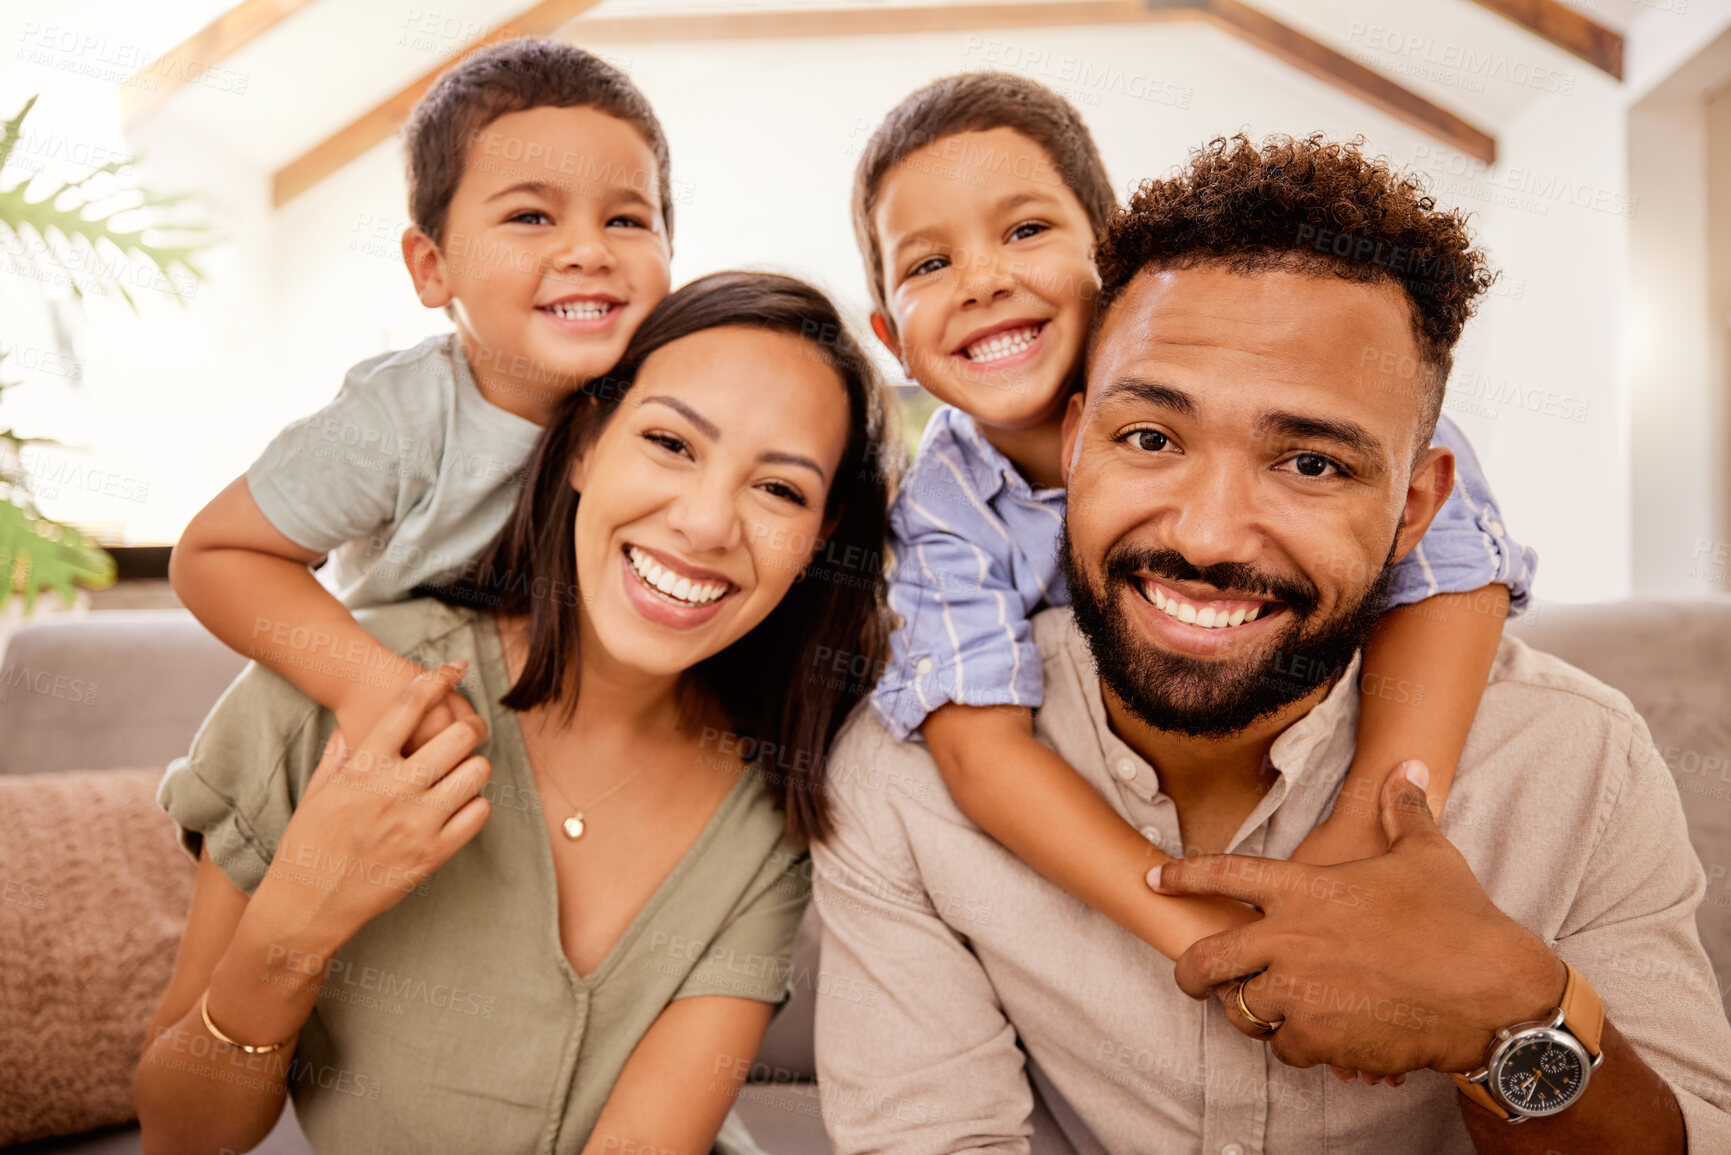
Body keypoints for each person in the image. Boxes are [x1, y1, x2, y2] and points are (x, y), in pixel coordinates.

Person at [812, 134, 1731, 1153]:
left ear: (1419, 503)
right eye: (1152, 439)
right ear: (1077, 444)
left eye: (1311, 462)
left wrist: (1507, 1018)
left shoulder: (1574, 763)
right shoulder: (905, 786)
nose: (1205, 536)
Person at [135, 273, 892, 1155]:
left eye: (780, 491)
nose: (706, 522)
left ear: (817, 542)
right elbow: (183, 1134)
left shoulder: (777, 794)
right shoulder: (322, 693)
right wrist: (301, 910)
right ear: (584, 446)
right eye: (669, 442)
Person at [851, 73, 1534, 961]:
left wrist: (1362, 833)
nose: (981, 279)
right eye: (928, 263)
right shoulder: (939, 508)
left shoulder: (1324, 393)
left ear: (1111, 259)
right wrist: (1199, 931)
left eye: (1024, 230)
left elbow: (1453, 567)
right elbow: (981, 751)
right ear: (889, 334)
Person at [169, 37, 678, 756]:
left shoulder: (674, 403)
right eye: (531, 217)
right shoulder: (399, 417)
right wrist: (367, 685)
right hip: (408, 717)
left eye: (626, 220)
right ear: (433, 267)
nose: (588, 250)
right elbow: (214, 553)